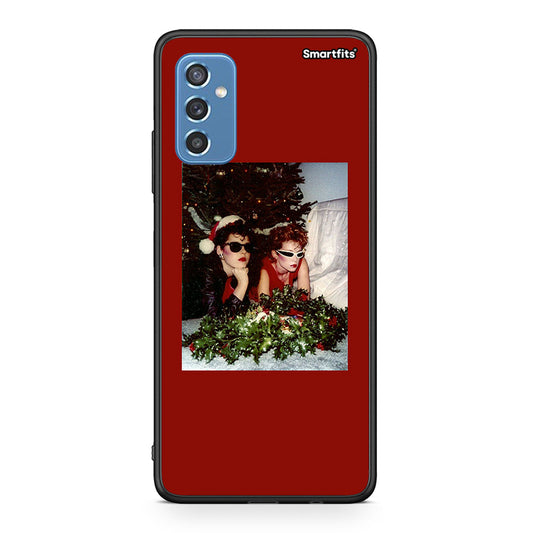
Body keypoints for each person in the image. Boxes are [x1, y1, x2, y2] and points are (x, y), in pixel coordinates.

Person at [199, 215, 260, 317]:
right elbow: (215, 320)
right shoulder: (207, 274)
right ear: (220, 250)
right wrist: (242, 285)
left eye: (247, 247)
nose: (243, 251)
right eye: (235, 246)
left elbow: (243, 314)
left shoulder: (239, 273)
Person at [258, 223, 310, 298]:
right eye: (289, 254)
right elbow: (263, 303)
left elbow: (304, 297)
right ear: (275, 254)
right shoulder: (265, 269)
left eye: (299, 253)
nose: (295, 259)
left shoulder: (301, 261)